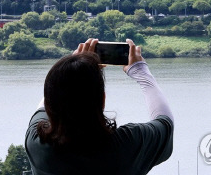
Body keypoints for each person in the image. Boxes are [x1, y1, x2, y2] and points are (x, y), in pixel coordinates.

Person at [25, 38, 174, 175]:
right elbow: (165, 121)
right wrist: (140, 72)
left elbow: (48, 101)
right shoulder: (125, 146)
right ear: (102, 100)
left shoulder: (37, 144)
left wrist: (71, 66)